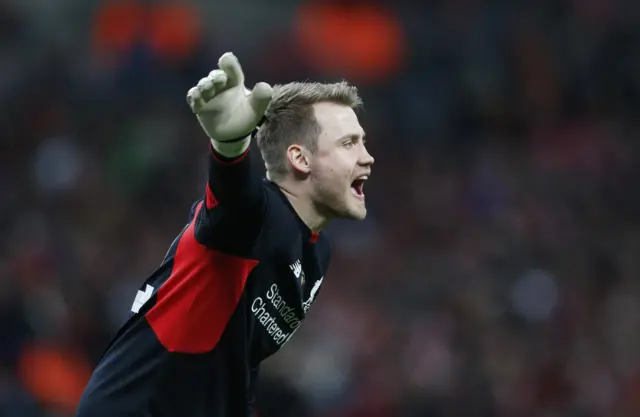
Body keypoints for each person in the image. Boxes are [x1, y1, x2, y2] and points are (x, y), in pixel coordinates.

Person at [75, 52, 374, 417]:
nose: (367, 157)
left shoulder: (315, 253)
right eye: (348, 144)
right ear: (300, 159)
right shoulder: (259, 216)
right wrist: (229, 147)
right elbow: (235, 199)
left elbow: (237, 362)